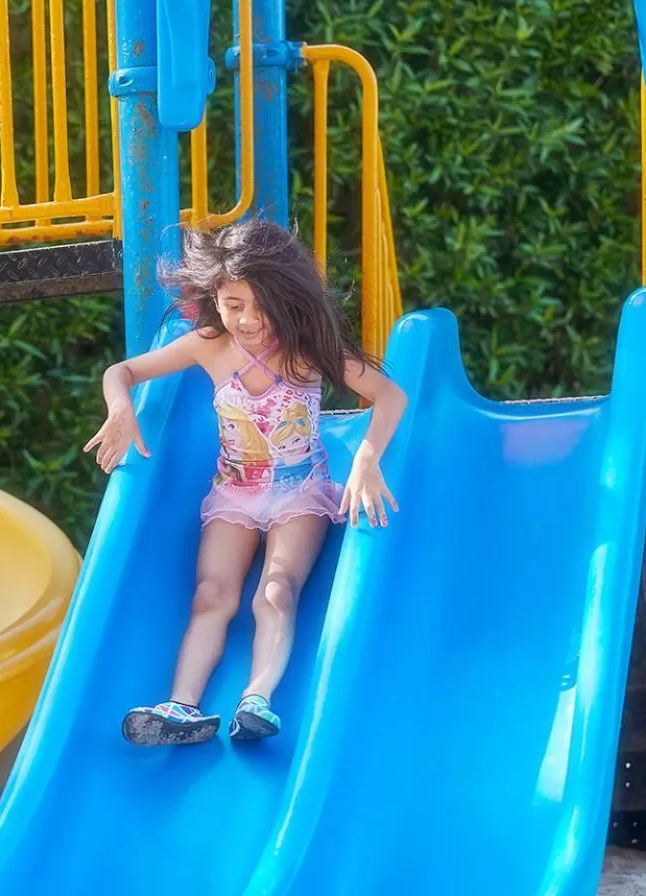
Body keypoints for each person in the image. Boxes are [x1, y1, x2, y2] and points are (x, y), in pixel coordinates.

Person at [83, 218, 408, 745]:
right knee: (212, 594)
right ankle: (182, 707)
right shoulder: (208, 345)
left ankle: (256, 698)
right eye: (234, 304)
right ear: (216, 296)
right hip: (234, 495)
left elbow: (390, 395)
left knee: (275, 590)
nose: (248, 319)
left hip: (299, 493)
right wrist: (121, 410)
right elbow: (120, 371)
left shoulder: (305, 348)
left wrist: (367, 459)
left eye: (261, 306)